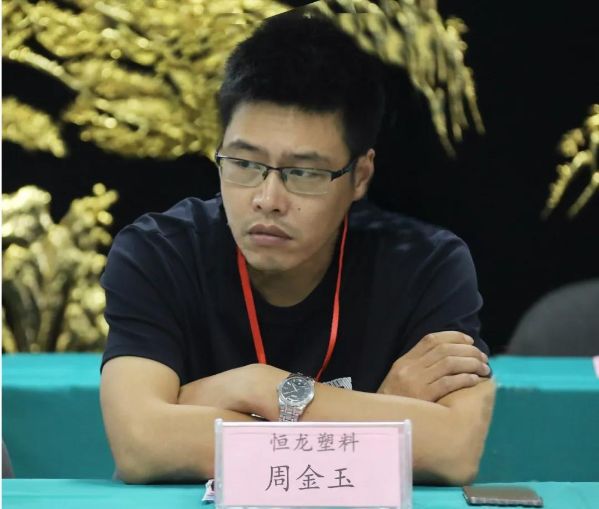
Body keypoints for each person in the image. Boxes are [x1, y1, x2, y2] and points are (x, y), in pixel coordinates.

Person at [100, 13, 495, 486]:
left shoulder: (426, 265)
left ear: (360, 176)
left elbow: (453, 451)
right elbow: (141, 444)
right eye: (244, 163)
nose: (268, 199)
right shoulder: (159, 253)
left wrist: (257, 386)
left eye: (304, 173)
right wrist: (380, 409)